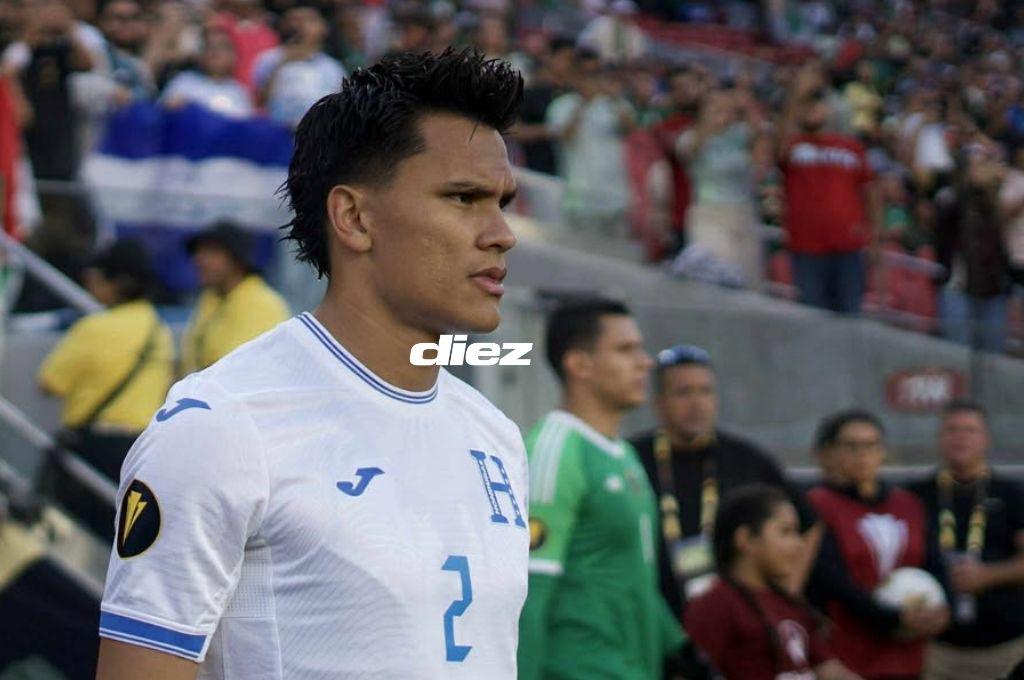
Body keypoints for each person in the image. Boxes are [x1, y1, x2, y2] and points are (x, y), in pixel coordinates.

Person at [95, 48, 527, 679]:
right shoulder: (224, 427)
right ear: (353, 217)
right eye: (464, 198)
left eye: (503, 203)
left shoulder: (497, 435)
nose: (501, 233)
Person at [518, 298, 685, 680]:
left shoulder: (623, 453)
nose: (645, 363)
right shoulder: (556, 449)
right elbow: (528, 589)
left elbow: (627, 575)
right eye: (626, 350)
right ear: (579, 365)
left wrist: (678, 648)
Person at [631, 345, 819, 621]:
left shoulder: (747, 458)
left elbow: (810, 525)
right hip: (654, 619)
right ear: (658, 403)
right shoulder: (631, 457)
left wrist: (786, 594)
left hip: (736, 624)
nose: (697, 403)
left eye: (705, 391)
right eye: (683, 392)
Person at [37, 239, 174, 537]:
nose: (89, 283)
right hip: (142, 451)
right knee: (121, 539)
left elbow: (49, 382)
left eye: (95, 276)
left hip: (92, 448)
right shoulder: (158, 330)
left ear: (118, 283)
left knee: (75, 537)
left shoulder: (93, 327)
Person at [807, 409, 951, 680]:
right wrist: (892, 617)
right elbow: (830, 578)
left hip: (908, 655)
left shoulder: (908, 504)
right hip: (846, 657)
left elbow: (935, 563)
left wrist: (945, 608)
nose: (862, 454)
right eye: (851, 446)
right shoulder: (816, 505)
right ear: (825, 454)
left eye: (871, 445)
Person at [685, 484, 861, 680]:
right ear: (744, 539)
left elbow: (831, 671)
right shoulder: (715, 604)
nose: (799, 544)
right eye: (786, 532)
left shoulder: (790, 605)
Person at [907, 399, 1024, 680]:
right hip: (936, 648)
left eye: (970, 430)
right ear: (940, 438)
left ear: (985, 439)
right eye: (952, 430)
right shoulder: (915, 495)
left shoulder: (1011, 494)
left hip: (1005, 647)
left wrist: (988, 576)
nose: (960, 437)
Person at [778, 68, 881, 315]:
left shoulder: (852, 147)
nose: (813, 110)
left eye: (817, 104)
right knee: (812, 320)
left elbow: (872, 195)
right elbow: (778, 149)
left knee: (850, 319)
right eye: (807, 106)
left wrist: (876, 239)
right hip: (807, 248)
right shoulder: (793, 145)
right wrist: (797, 96)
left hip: (849, 247)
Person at [676, 85, 768, 287]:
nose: (723, 114)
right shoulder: (690, 138)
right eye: (715, 108)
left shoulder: (740, 134)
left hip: (744, 216)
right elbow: (689, 151)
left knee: (749, 284)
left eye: (727, 109)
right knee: (716, 279)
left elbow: (762, 134)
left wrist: (746, 105)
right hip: (710, 216)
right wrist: (710, 123)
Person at [178, 221, 289, 375]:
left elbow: (236, 374)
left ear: (238, 260)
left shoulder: (260, 304)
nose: (199, 260)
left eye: (211, 252)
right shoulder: (211, 298)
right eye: (198, 252)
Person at [546, 49, 635, 237]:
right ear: (575, 76)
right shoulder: (562, 105)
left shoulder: (616, 105)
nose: (591, 80)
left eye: (596, 74)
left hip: (616, 197)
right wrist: (584, 103)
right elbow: (565, 136)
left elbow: (632, 132)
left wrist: (614, 98)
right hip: (579, 197)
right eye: (586, 74)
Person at [251, 3, 345, 127]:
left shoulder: (333, 67)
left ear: (324, 27)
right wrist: (283, 62)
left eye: (309, 20)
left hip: (317, 133)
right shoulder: (268, 59)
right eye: (294, 19)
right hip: (277, 133)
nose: (300, 25)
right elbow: (258, 103)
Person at [161, 28, 253, 119]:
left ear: (233, 56)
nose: (215, 53)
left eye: (221, 47)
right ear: (199, 54)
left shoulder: (239, 92)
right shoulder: (182, 82)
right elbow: (163, 115)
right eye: (209, 46)